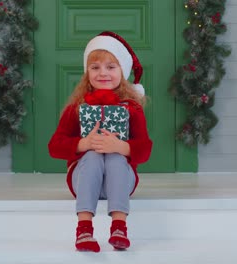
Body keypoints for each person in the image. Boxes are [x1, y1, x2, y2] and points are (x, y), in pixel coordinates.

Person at [48, 31, 153, 252]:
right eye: (95, 67)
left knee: (115, 157)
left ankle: (119, 227)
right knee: (94, 154)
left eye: (110, 67)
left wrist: (122, 147)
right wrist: (83, 144)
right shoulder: (77, 107)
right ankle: (84, 229)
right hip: (85, 180)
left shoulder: (131, 109)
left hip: (122, 182)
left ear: (122, 71)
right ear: (87, 73)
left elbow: (144, 150)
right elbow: (54, 146)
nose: (102, 73)